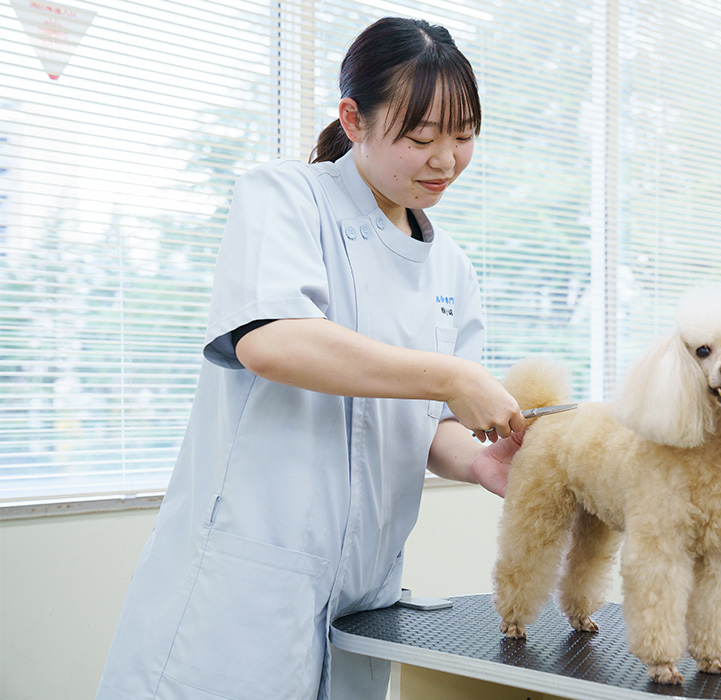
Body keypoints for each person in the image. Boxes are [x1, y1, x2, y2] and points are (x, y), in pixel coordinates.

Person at [96, 17, 526, 700]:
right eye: (421, 137)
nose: (446, 159)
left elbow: (432, 424)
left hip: (360, 602)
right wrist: (450, 375)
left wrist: (476, 458)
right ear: (353, 119)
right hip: (240, 598)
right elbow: (272, 341)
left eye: (464, 135)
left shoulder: (452, 269)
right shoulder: (285, 198)